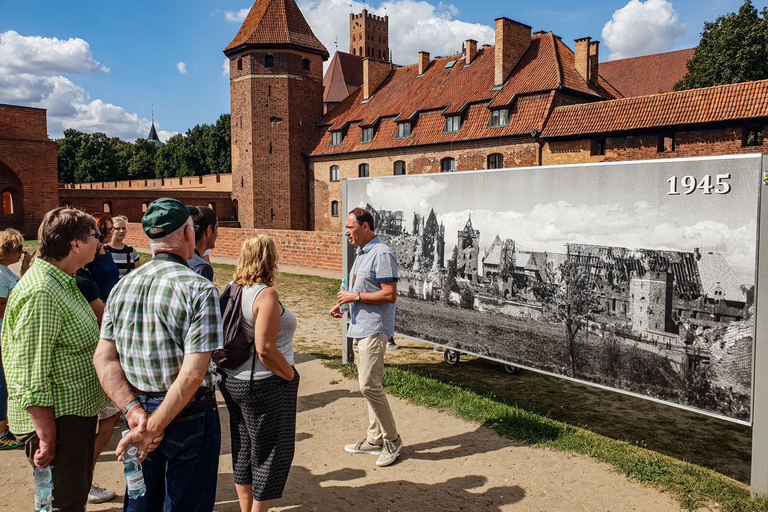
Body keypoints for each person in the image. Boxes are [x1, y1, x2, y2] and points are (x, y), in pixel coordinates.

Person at [93, 197, 223, 512]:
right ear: (189, 235)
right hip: (189, 411)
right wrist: (152, 426)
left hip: (138, 407)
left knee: (141, 502)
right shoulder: (199, 289)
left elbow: (105, 359)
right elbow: (193, 373)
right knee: (185, 504)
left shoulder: (123, 287)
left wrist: (137, 415)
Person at [2, 207, 109, 512]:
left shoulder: (62, 280)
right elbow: (30, 368)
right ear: (75, 244)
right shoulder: (43, 291)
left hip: (72, 413)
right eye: (94, 236)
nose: (99, 241)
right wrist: (46, 435)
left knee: (72, 497)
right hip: (59, 420)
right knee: (65, 503)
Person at [219, 234, 300, 512]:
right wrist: (289, 375)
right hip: (264, 383)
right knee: (270, 453)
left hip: (232, 380)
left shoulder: (231, 288)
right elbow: (265, 349)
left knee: (243, 447)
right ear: (269, 259)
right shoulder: (266, 295)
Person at [330, 207, 403, 467]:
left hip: (374, 330)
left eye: (350, 227)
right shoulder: (361, 253)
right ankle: (375, 439)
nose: (346, 232)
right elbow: (360, 290)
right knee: (369, 387)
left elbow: (389, 294)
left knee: (369, 386)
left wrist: (355, 297)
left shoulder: (382, 253)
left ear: (365, 227)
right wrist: (345, 305)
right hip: (359, 328)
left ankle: (392, 440)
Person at [75, 233, 119, 504]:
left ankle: (83, 477)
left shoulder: (75, 276)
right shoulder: (79, 279)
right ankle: (84, 479)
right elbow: (104, 316)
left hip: (91, 360)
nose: (100, 244)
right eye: (95, 238)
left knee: (108, 414)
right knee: (104, 415)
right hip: (91, 362)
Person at [0, 228, 32, 450]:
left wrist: (24, 270)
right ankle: (1, 433)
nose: (22, 252)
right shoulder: (0, 273)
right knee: (2, 384)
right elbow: (3, 305)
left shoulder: (4, 271)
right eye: (19, 249)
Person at [85, 212, 119, 301]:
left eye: (112, 229)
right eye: (107, 229)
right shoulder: (89, 256)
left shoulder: (107, 253)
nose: (111, 232)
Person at [188, 206, 218, 280]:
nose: (218, 233)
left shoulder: (178, 258)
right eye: (216, 228)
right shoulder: (201, 268)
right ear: (209, 230)